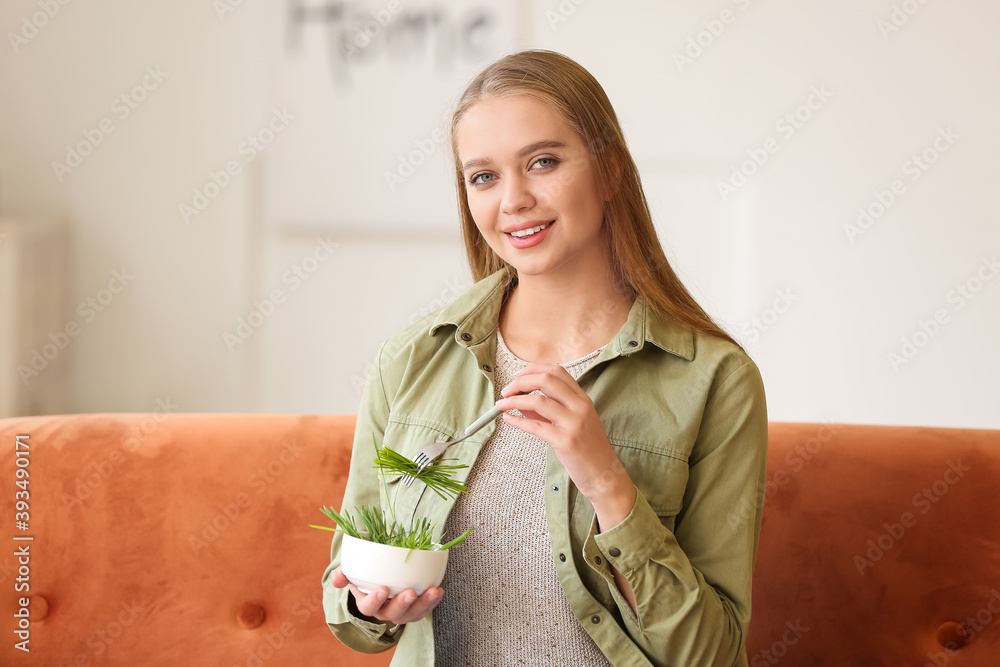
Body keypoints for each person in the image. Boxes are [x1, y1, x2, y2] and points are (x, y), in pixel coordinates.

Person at [322, 48, 768, 666]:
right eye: (483, 176)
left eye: (543, 162)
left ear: (609, 170)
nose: (514, 200)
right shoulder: (412, 360)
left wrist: (606, 480)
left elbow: (711, 654)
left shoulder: (715, 379)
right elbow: (346, 599)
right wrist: (369, 606)